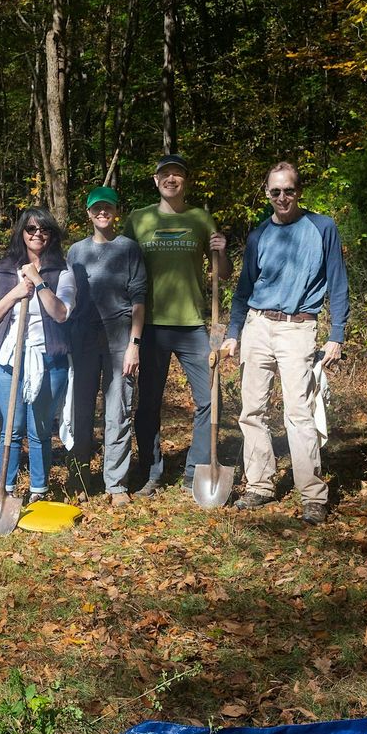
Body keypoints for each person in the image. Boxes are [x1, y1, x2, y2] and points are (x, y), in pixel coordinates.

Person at [221, 162, 349, 525]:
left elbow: (338, 284)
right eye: (275, 191)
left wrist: (336, 334)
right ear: (266, 193)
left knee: (299, 412)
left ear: (299, 191)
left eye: (288, 190)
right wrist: (234, 333)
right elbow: (244, 289)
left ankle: (312, 494)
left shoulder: (322, 227)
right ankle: (260, 484)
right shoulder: (259, 234)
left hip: (299, 328)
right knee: (252, 411)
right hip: (257, 326)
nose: (282, 197)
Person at [124, 153, 232, 495]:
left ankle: (196, 471)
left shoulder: (200, 218)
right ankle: (151, 472)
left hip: (193, 327)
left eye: (178, 175)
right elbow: (121, 264)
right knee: (150, 403)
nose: (172, 179)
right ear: (156, 181)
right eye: (165, 175)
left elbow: (223, 274)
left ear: (185, 182)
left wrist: (222, 250)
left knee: (209, 398)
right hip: (152, 325)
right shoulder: (138, 220)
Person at [0, 209, 75, 503]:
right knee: (11, 428)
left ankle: (38, 490)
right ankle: (5, 491)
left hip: (49, 359)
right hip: (11, 359)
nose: (37, 234)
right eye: (31, 229)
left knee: (40, 429)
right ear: (22, 232)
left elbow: (61, 314)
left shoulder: (63, 270)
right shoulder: (7, 268)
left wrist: (39, 282)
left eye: (43, 229)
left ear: (52, 234)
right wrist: (17, 291)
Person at [66, 187, 147, 506]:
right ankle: (80, 479)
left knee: (118, 412)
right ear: (88, 213)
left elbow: (139, 298)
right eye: (96, 208)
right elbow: (67, 297)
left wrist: (134, 345)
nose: (102, 212)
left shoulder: (128, 249)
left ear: (116, 212)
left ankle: (115, 484)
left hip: (119, 340)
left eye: (108, 207)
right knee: (79, 412)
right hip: (83, 340)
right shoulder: (75, 251)